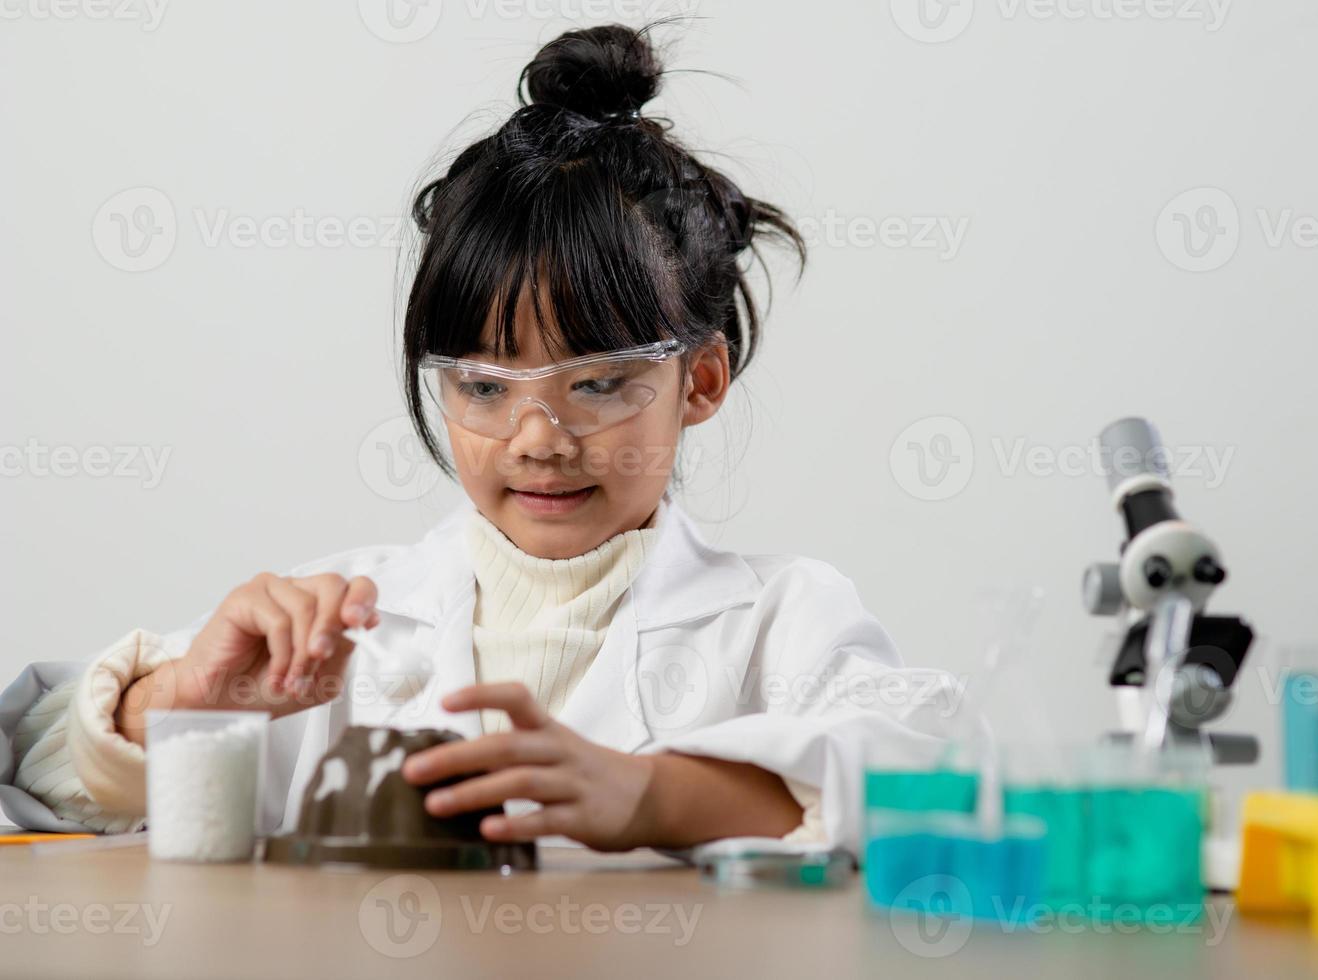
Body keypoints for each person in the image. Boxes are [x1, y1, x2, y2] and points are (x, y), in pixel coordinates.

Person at [0, 23, 961, 855]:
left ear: (698, 380)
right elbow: (32, 782)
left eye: (597, 381)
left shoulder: (778, 620)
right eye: (484, 386)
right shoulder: (340, 635)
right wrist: (183, 701)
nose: (537, 438)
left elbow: (933, 779)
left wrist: (649, 798)